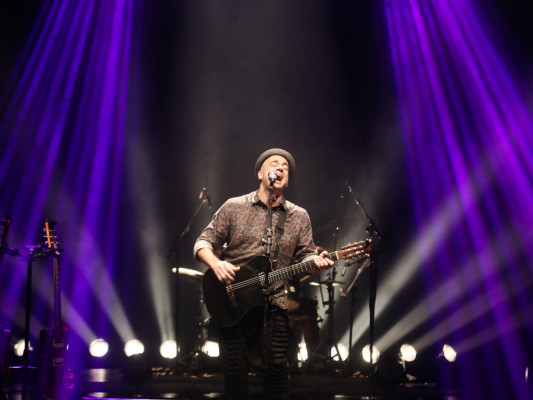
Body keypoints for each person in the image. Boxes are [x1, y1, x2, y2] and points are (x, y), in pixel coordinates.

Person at [194, 148, 334, 400]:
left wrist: (317, 262)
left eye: (285, 167)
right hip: (232, 304)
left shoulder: (298, 216)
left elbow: (307, 258)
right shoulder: (234, 207)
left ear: (287, 180)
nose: (280, 168)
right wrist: (215, 264)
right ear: (260, 173)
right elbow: (202, 243)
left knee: (279, 375)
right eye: (274, 163)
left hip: (275, 304)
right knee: (235, 378)